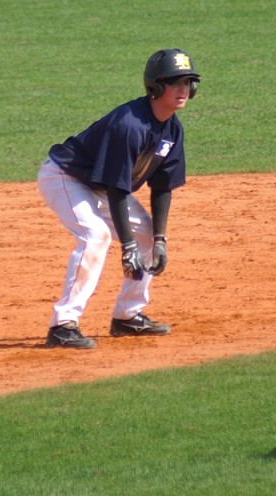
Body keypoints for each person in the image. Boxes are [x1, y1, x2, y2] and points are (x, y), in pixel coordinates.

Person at [37, 49, 200, 349]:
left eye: (188, 82)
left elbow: (162, 187)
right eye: (175, 82)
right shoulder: (129, 125)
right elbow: (117, 188)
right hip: (65, 177)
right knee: (95, 236)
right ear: (156, 86)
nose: (183, 89)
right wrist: (127, 246)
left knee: (147, 234)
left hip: (100, 186)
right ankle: (62, 325)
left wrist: (160, 239)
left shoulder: (172, 130)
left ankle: (127, 316)